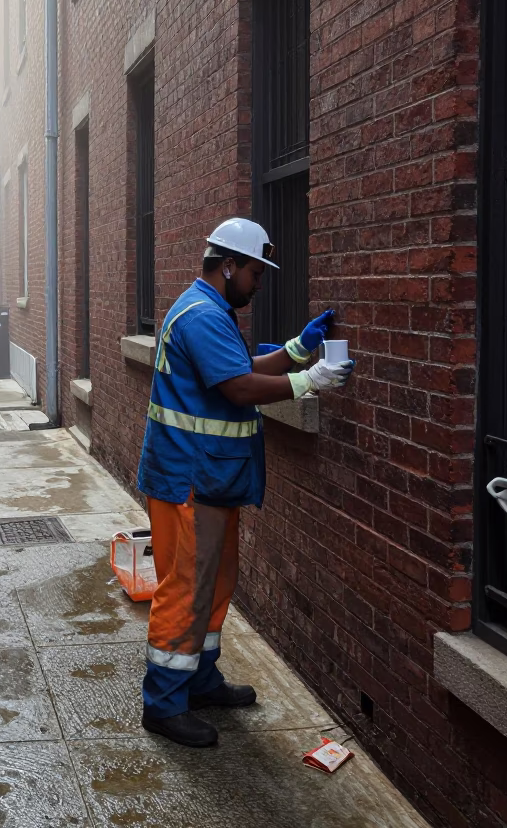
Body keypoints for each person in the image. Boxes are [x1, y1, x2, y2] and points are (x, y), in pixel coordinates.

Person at [137, 217, 355, 747]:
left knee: (212, 586)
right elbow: (238, 386)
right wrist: (310, 381)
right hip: (191, 479)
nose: (259, 283)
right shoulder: (203, 316)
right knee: (187, 590)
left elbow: (240, 366)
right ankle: (164, 704)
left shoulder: (206, 309)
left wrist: (299, 351)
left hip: (207, 477)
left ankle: (199, 680)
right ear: (228, 265)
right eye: (256, 271)